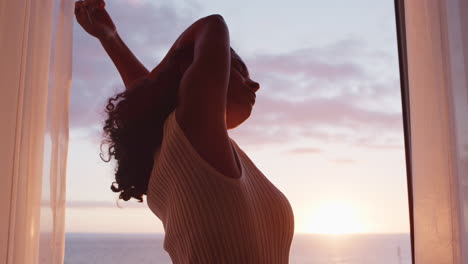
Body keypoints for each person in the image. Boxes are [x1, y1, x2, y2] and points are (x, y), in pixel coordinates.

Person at [75, 1, 295, 263]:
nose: (255, 85)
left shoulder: (185, 146)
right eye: (237, 69)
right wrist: (157, 76)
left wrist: (110, 37)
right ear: (192, 75)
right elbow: (213, 24)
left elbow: (152, 100)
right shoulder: (187, 135)